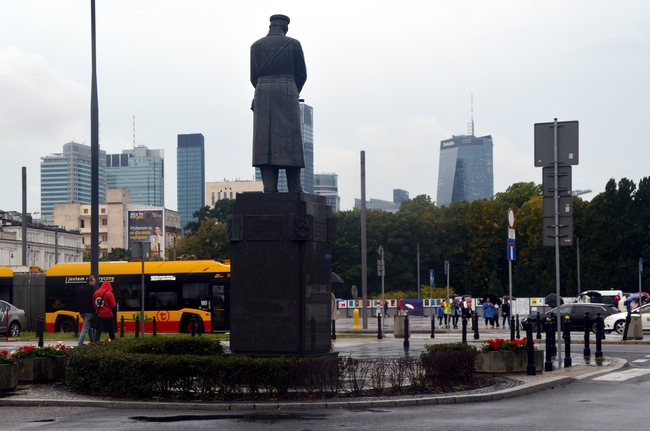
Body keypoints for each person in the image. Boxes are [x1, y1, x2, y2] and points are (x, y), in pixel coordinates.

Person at [250, 14, 307, 193]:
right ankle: (295, 187)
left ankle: (269, 187)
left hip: (263, 91)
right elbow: (302, 75)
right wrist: (291, 90)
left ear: (270, 26)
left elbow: (253, 76)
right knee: (292, 143)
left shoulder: (256, 46)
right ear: (285, 27)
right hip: (288, 91)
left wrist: (265, 88)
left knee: (264, 142)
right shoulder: (294, 44)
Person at [77, 275, 97, 346]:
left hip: (82, 312)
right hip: (90, 311)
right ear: (90, 282)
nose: (95, 283)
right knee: (85, 328)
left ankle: (93, 341)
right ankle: (80, 344)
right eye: (94, 281)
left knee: (90, 328)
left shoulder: (81, 290)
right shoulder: (93, 291)